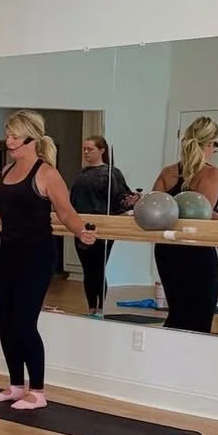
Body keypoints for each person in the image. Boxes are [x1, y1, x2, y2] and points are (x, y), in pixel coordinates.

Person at [0, 111, 96, 412]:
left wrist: (81, 232)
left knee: (24, 323)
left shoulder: (46, 173)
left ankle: (37, 391)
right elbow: (5, 215)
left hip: (37, 255)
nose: (9, 140)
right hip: (9, 253)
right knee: (4, 321)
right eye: (8, 134)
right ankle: (15, 386)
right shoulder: (10, 170)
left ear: (31, 138)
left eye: (14, 135)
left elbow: (65, 212)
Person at [150, 117, 218, 334]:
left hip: (168, 249)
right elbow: (202, 215)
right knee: (199, 317)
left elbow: (157, 209)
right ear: (209, 144)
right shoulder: (212, 173)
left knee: (179, 313)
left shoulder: (168, 172)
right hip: (195, 250)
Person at [67, 134, 136, 316]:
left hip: (103, 228)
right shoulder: (80, 175)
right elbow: (71, 201)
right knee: (88, 269)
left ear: (102, 151)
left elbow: (121, 198)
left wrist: (131, 201)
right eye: (84, 149)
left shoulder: (112, 173)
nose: (86, 152)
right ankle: (91, 307)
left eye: (90, 149)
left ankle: (100, 308)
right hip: (81, 227)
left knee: (98, 267)